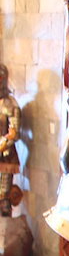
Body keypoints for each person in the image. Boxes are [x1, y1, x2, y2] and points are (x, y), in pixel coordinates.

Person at [0, 64, 22, 218]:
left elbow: (14, 133)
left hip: (5, 156)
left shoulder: (11, 104)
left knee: (3, 197)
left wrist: (2, 144)